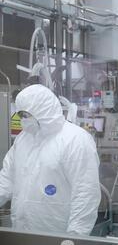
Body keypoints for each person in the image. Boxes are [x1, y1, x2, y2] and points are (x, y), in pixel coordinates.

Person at [0, 84, 101, 235]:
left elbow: (85, 193)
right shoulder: (23, 139)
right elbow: (6, 180)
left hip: (58, 234)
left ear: (42, 110)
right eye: (20, 115)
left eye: (26, 115)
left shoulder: (75, 139)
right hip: (21, 232)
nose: (23, 120)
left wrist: (75, 235)